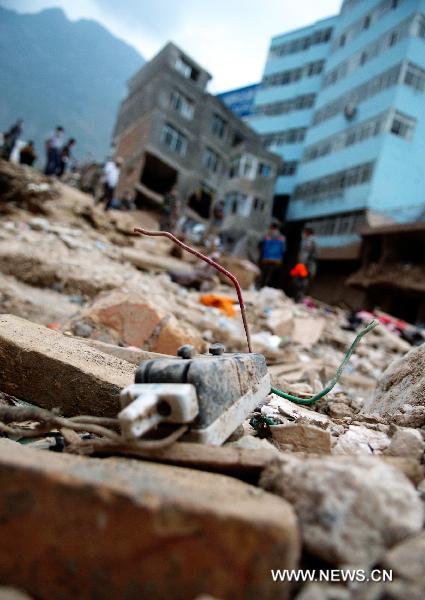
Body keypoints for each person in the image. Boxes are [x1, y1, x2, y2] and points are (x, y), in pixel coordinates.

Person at [258, 223, 286, 288]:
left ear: (271, 227)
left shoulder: (266, 236)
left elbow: (260, 245)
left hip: (266, 258)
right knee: (270, 274)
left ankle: (260, 285)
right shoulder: (282, 238)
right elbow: (283, 249)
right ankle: (266, 286)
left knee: (263, 272)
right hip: (275, 260)